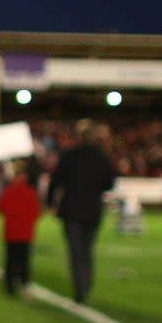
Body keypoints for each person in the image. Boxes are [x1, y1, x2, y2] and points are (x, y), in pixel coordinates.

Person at [46, 119, 116, 303]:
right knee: (87, 250)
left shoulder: (69, 156)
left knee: (75, 251)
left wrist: (49, 202)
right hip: (93, 210)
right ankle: (86, 284)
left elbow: (55, 182)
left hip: (71, 210)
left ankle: (80, 288)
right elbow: (109, 183)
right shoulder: (102, 157)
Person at [0, 159, 42, 296]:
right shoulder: (30, 192)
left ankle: (10, 286)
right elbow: (37, 212)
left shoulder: (10, 191)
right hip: (25, 233)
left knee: (11, 260)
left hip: (12, 232)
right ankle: (24, 284)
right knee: (24, 260)